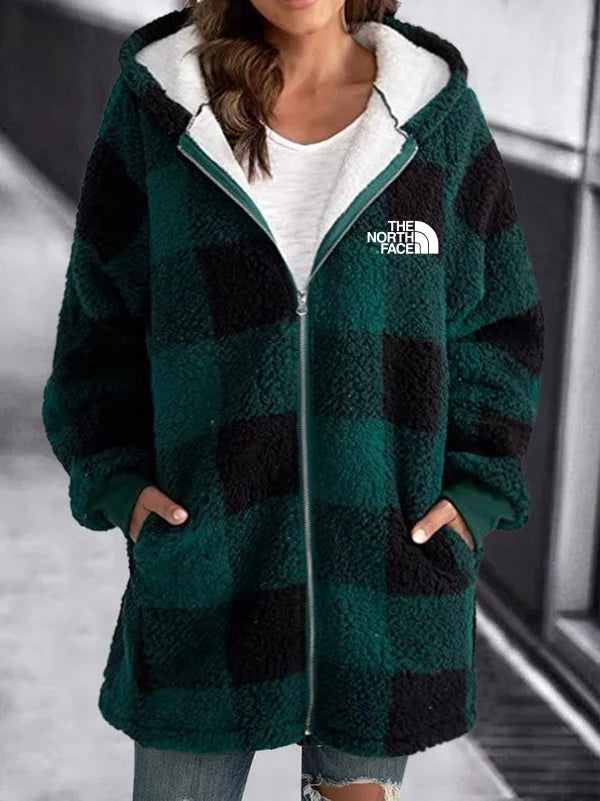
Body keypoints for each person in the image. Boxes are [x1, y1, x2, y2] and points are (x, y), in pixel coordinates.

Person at [41, 0, 545, 799]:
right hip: (207, 575)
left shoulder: (435, 118)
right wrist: (118, 482)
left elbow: (497, 327)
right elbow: (98, 321)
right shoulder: (163, 107)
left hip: (383, 582)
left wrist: (474, 492)